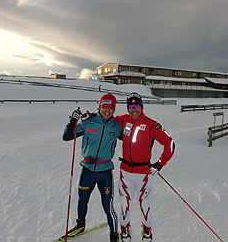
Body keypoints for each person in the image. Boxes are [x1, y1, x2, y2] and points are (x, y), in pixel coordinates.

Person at [113, 92, 175, 242]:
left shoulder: (151, 124)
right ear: (128, 108)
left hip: (143, 174)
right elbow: (106, 117)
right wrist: (91, 116)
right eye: (131, 106)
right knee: (124, 206)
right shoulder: (123, 120)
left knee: (144, 205)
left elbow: (170, 143)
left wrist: (159, 164)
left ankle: (147, 233)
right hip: (125, 172)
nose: (134, 109)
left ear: (141, 107)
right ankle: (125, 232)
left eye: (137, 106)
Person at [62, 92, 122, 242]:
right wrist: (72, 121)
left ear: (114, 109)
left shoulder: (117, 126)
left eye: (111, 107)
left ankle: (114, 234)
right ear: (99, 107)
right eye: (104, 107)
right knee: (82, 200)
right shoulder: (88, 122)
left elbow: (132, 141)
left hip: (105, 172)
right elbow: (67, 136)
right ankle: (80, 224)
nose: (107, 110)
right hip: (88, 170)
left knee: (108, 205)